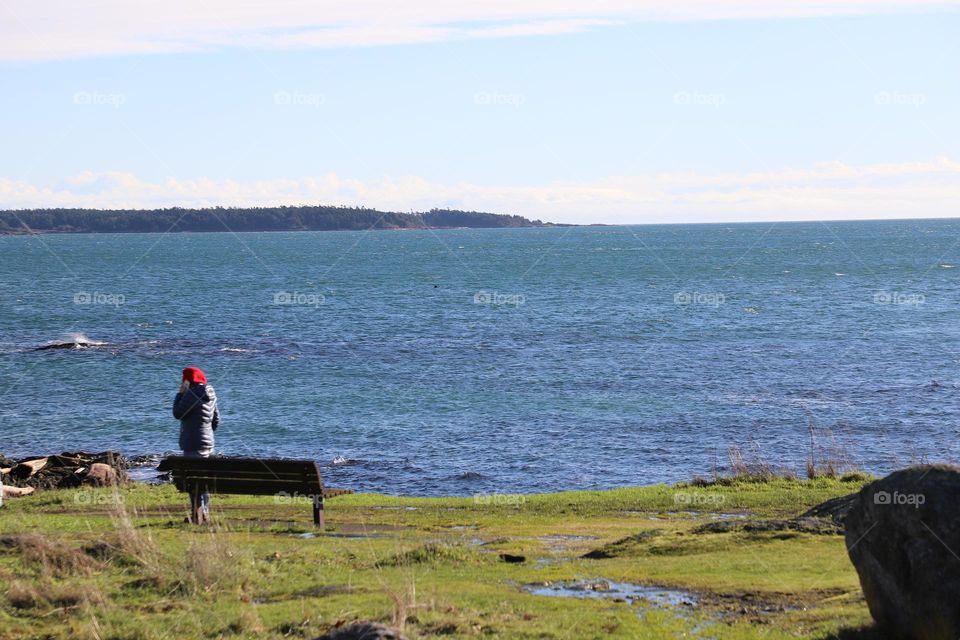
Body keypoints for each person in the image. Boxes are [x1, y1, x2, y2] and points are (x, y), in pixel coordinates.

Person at [172, 367, 220, 523]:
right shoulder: (211, 393)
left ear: (187, 380)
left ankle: (199, 514)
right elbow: (216, 420)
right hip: (208, 443)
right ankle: (204, 512)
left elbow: (177, 413)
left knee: (194, 480)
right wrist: (207, 433)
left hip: (193, 443)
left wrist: (180, 393)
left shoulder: (190, 394)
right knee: (203, 479)